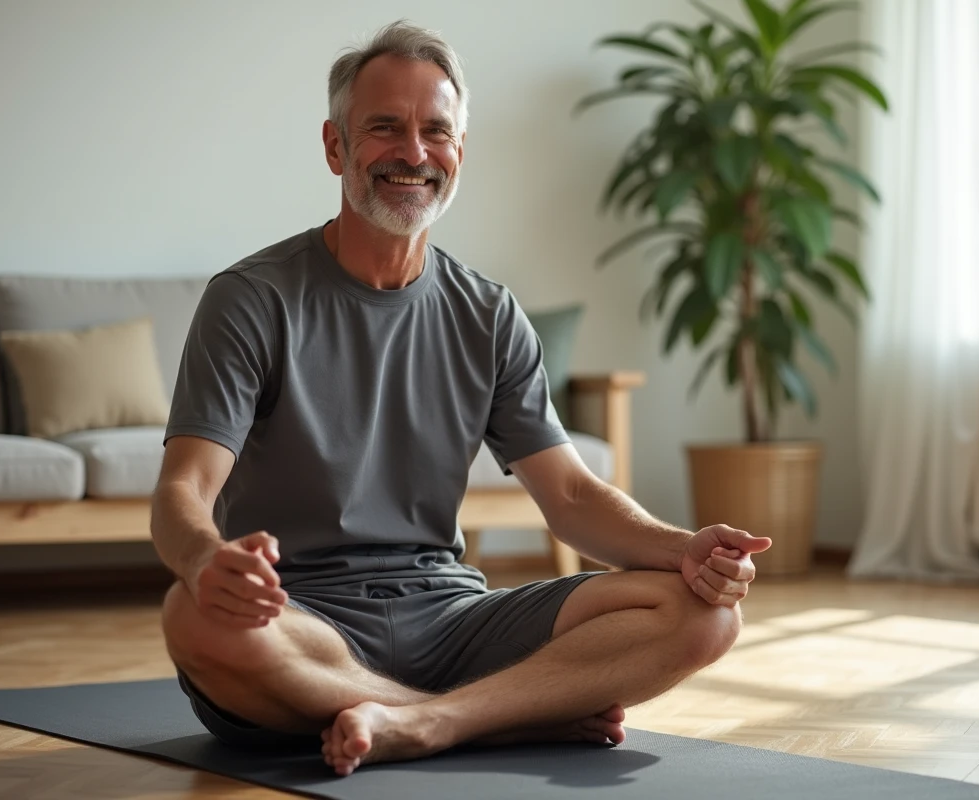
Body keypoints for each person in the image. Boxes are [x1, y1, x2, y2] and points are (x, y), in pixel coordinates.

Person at [150, 20, 772, 777]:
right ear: (336, 146)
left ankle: (427, 723)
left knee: (704, 616)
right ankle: (490, 719)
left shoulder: (490, 313)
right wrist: (207, 560)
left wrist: (685, 550)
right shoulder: (250, 299)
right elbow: (183, 490)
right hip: (304, 618)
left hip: (452, 617)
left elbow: (572, 497)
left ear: (459, 151)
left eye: (435, 131)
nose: (414, 153)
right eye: (385, 127)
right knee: (192, 616)